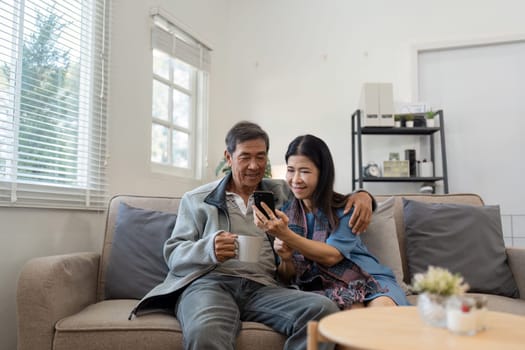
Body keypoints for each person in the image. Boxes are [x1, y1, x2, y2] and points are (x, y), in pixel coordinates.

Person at [130, 122, 375, 350]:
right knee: (206, 331)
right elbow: (174, 254)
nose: (254, 165)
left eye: (260, 157)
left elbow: (322, 193)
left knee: (323, 311)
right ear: (229, 157)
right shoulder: (196, 199)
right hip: (210, 284)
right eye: (245, 157)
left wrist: (364, 195)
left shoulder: (282, 192)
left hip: (264, 287)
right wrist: (209, 249)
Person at [253, 134, 409, 310]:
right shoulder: (287, 213)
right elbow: (287, 276)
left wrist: (285, 235)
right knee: (352, 314)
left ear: (322, 173)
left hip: (368, 278)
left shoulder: (346, 207)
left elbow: (331, 256)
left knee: (383, 310)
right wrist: (286, 259)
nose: (295, 179)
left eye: (304, 171)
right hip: (323, 286)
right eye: (291, 170)